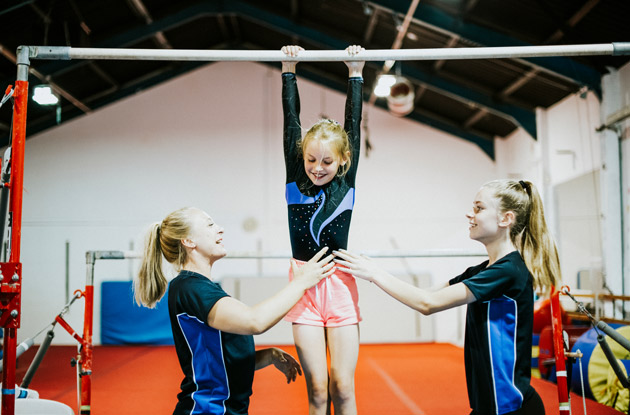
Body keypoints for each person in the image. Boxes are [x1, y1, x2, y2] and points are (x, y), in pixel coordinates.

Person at [335, 179, 560, 415]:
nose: (469, 214)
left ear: (506, 219)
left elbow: (427, 304)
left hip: (510, 407)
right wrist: (372, 274)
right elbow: (427, 294)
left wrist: (375, 274)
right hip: (488, 406)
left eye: (479, 208)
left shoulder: (508, 271)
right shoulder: (483, 270)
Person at [134, 207, 336, 415]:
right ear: (188, 241)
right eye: (210, 225)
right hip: (208, 410)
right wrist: (300, 283)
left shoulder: (199, 287)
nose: (220, 230)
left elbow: (217, 360)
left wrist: (265, 357)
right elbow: (254, 321)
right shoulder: (192, 289)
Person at [280, 44, 364, 415]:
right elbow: (290, 119)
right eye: (311, 159)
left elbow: (353, 125)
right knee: (317, 389)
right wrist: (288, 69)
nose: (317, 167)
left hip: (339, 283)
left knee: (342, 387)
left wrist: (356, 73)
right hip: (303, 284)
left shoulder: (346, 181)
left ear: (343, 160)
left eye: (327, 161)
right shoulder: (296, 178)